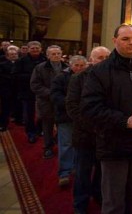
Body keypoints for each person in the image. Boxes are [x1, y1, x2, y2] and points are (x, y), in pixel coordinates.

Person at [80, 24, 132, 214]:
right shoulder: (99, 71)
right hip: (112, 145)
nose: (131, 42)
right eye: (125, 39)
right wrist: (125, 121)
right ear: (115, 41)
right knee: (113, 202)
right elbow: (90, 107)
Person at [66, 46, 110, 213]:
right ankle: (80, 203)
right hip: (85, 135)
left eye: (107, 57)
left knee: (102, 171)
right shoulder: (79, 79)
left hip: (105, 135)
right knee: (82, 173)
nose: (104, 60)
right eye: (100, 57)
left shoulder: (113, 78)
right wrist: (92, 126)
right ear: (91, 60)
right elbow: (72, 106)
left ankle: (98, 195)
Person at [50, 55, 87, 186]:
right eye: (76, 65)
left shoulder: (89, 77)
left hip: (83, 117)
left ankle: (76, 168)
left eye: (82, 65)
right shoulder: (61, 77)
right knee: (66, 144)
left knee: (80, 144)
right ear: (70, 66)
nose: (79, 68)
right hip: (65, 116)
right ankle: (64, 172)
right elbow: (55, 95)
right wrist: (71, 104)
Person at [30, 45, 67, 159]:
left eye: (58, 53)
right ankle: (48, 147)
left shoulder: (67, 67)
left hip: (62, 102)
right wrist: (51, 93)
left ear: (61, 54)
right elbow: (35, 85)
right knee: (47, 126)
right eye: (53, 54)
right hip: (46, 101)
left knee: (63, 125)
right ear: (48, 56)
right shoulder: (40, 68)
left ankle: (61, 145)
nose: (56, 56)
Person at [11, 41, 47, 143]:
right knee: (28, 115)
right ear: (28, 49)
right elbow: (15, 75)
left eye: (37, 48)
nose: (35, 50)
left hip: (42, 91)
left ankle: (39, 130)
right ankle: (30, 133)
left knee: (43, 113)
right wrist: (33, 76)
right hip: (27, 91)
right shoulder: (21, 61)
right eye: (32, 48)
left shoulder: (45, 60)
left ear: (41, 49)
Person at [0, 45, 20, 131]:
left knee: (17, 107)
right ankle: (3, 124)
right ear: (7, 56)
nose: (13, 56)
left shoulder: (20, 64)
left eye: (15, 54)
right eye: (11, 55)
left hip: (18, 89)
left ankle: (18, 120)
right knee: (5, 108)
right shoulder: (2, 65)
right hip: (6, 89)